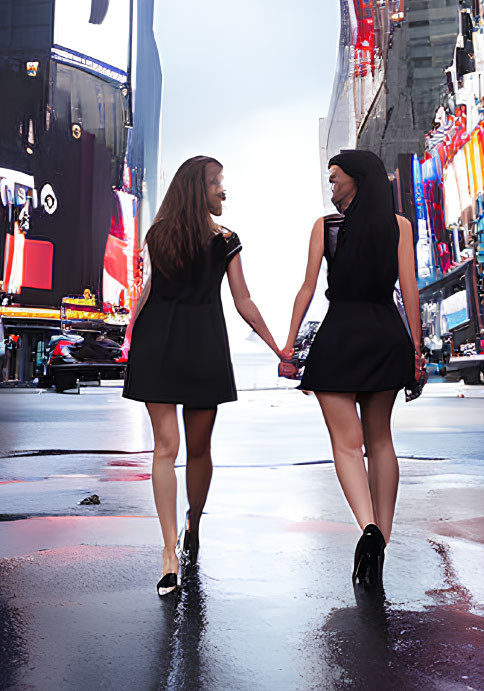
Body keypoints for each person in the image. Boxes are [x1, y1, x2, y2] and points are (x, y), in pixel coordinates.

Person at [124, 155, 286, 597]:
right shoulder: (226, 241)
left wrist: (130, 341)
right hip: (202, 345)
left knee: (167, 449)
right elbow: (243, 301)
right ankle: (183, 535)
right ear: (199, 188)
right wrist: (280, 347)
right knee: (192, 450)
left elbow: (147, 293)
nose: (223, 191)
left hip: (157, 342)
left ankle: (174, 545)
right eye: (217, 183)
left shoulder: (159, 234)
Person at [280, 149, 424, 590]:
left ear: (357, 179)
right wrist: (416, 352)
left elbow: (307, 288)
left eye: (336, 178)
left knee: (346, 444)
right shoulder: (398, 226)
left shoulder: (326, 228)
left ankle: (367, 527)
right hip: (384, 333)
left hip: (339, 335)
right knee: (380, 440)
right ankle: (383, 538)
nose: (331, 186)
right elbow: (408, 288)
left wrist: (289, 344)